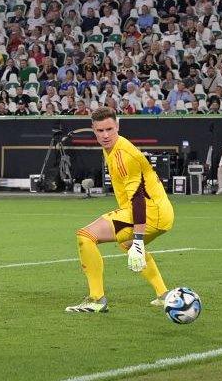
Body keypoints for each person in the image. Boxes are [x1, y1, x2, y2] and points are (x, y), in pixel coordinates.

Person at [66, 107, 175, 313]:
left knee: (85, 236)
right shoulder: (114, 148)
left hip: (148, 212)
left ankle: (96, 299)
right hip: (161, 213)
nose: (105, 135)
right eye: (100, 131)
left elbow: (138, 199)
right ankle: (163, 294)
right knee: (126, 244)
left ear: (118, 126)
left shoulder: (125, 155)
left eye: (109, 129)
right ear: (93, 130)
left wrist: (140, 240)